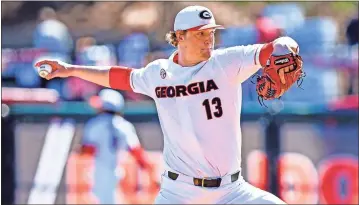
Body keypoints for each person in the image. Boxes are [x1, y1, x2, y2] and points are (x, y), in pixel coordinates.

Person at [35, 5, 301, 204]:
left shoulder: (227, 62)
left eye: (211, 33)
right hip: (179, 193)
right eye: (200, 34)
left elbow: (274, 47)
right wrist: (69, 69)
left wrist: (286, 46)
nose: (208, 39)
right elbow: (118, 76)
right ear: (180, 36)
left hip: (231, 191)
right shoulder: (157, 74)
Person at [78, 89, 157, 204]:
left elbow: (89, 150)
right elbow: (137, 152)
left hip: (99, 174)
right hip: (118, 172)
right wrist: (150, 173)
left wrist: (80, 149)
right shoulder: (125, 126)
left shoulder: (95, 124)